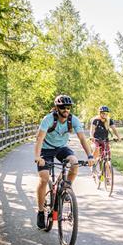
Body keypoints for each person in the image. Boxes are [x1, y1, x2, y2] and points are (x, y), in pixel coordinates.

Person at [33, 95, 94, 229]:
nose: (66, 109)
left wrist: (90, 155)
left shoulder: (74, 120)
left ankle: (66, 188)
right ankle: (41, 212)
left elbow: (83, 139)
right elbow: (39, 139)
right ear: (56, 108)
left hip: (61, 148)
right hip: (46, 149)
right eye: (62, 107)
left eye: (68, 107)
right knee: (44, 178)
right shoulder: (48, 119)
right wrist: (38, 156)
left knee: (74, 163)